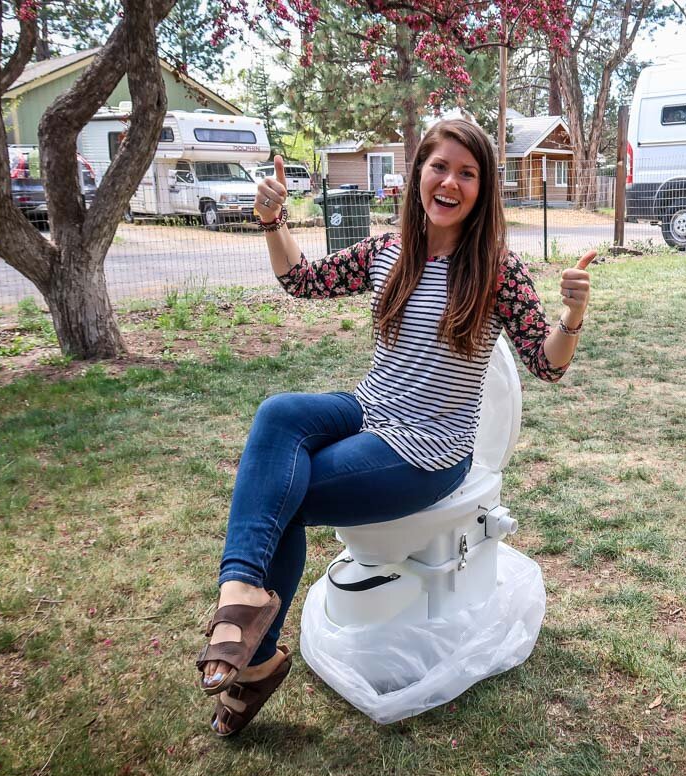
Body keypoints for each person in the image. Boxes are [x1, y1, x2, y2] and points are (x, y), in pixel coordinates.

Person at [194, 119, 594, 736]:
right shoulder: (389, 252)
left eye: (468, 173)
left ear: (483, 190)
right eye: (440, 166)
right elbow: (303, 280)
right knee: (278, 413)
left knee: (286, 496)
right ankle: (245, 603)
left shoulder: (497, 271)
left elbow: (546, 364)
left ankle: (250, 645)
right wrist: (273, 222)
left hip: (431, 447)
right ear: (418, 175)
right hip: (370, 408)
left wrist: (571, 315)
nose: (451, 182)